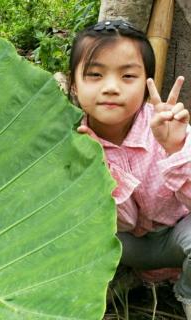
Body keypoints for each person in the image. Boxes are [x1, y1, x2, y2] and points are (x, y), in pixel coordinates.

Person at [68, 19, 191, 317]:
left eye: (128, 76)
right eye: (95, 75)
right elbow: (123, 222)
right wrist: (101, 172)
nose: (111, 88)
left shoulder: (168, 126)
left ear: (148, 83)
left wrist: (176, 149)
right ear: (74, 86)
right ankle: (119, 281)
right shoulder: (73, 141)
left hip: (177, 236)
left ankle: (185, 294)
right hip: (124, 244)